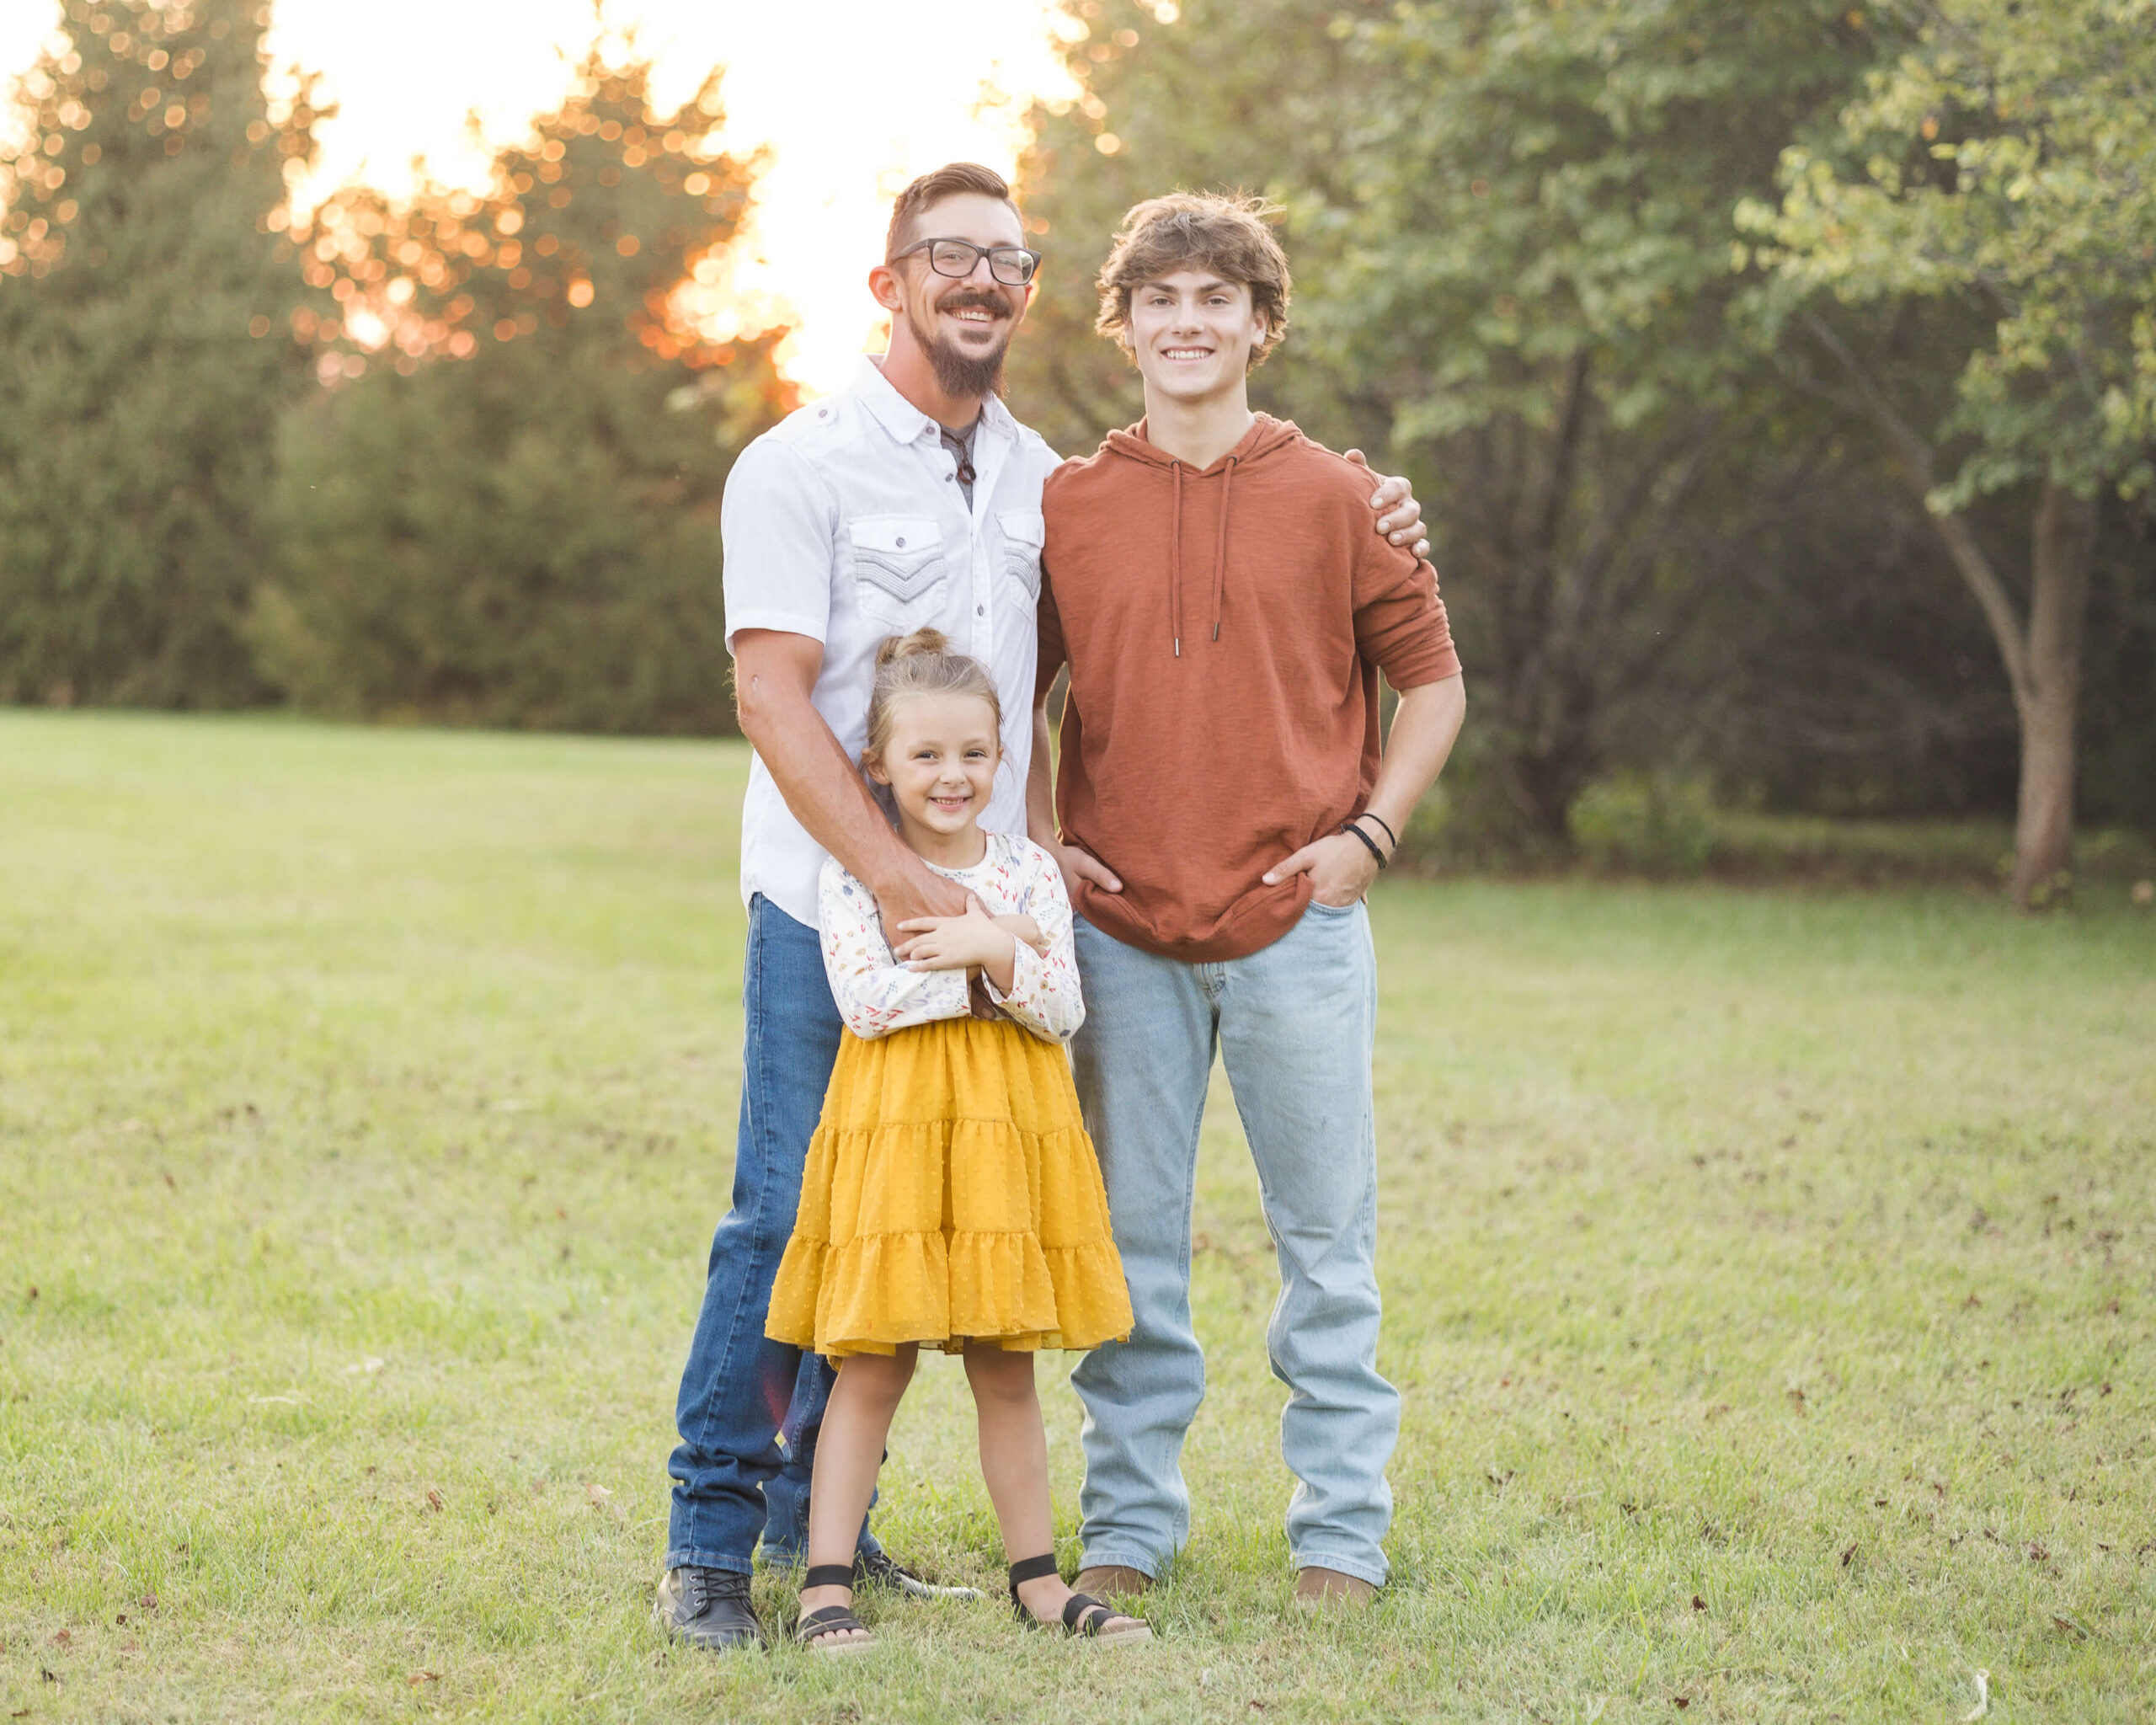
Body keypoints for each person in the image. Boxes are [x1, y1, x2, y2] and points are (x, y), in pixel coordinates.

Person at [657, 161, 1428, 1653]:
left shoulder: (1045, 480)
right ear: (889, 285)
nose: (977, 278)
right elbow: (768, 693)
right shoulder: (797, 463)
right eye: (944, 255)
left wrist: (1375, 502)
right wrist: (899, 889)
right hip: (832, 909)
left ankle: (824, 1519)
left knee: (902, 1228)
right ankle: (708, 1533)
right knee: (787, 1215)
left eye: (1004, 258)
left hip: (1006, 934)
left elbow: (1182, 557)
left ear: (1027, 290)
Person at [1028, 193, 1468, 1609]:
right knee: (1131, 1246)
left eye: (1219, 296)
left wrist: (1375, 834)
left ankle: (1340, 1530)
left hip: (1301, 922)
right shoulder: (1070, 504)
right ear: (1126, 325)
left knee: (1325, 1247)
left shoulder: (1341, 496)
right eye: (1161, 297)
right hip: (1123, 933)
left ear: (1262, 325)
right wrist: (1045, 838)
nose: (1189, 320)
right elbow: (1010, 682)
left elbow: (1437, 682)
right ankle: (1130, 1524)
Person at [762, 628, 1147, 1654]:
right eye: (925, 755)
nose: (952, 775)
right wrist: (989, 959)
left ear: (1003, 757)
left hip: (1003, 1136)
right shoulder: (859, 867)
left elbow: (1062, 1008)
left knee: (1005, 1361)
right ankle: (824, 1585)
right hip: (896, 1126)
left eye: (974, 753)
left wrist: (997, 938)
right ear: (877, 763)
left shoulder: (1027, 870)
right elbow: (870, 999)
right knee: (871, 1359)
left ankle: (1039, 1581)